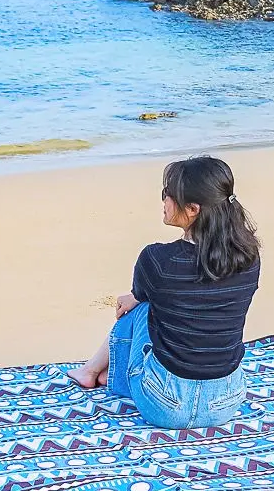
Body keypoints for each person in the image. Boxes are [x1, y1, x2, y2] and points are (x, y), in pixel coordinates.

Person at [68, 155, 261, 429]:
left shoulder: (157, 260)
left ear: (192, 209)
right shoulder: (249, 257)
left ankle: (93, 371)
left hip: (164, 406)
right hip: (225, 404)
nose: (164, 201)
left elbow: (141, 299)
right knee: (154, 304)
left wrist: (134, 297)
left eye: (167, 194)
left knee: (141, 307)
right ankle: (97, 372)